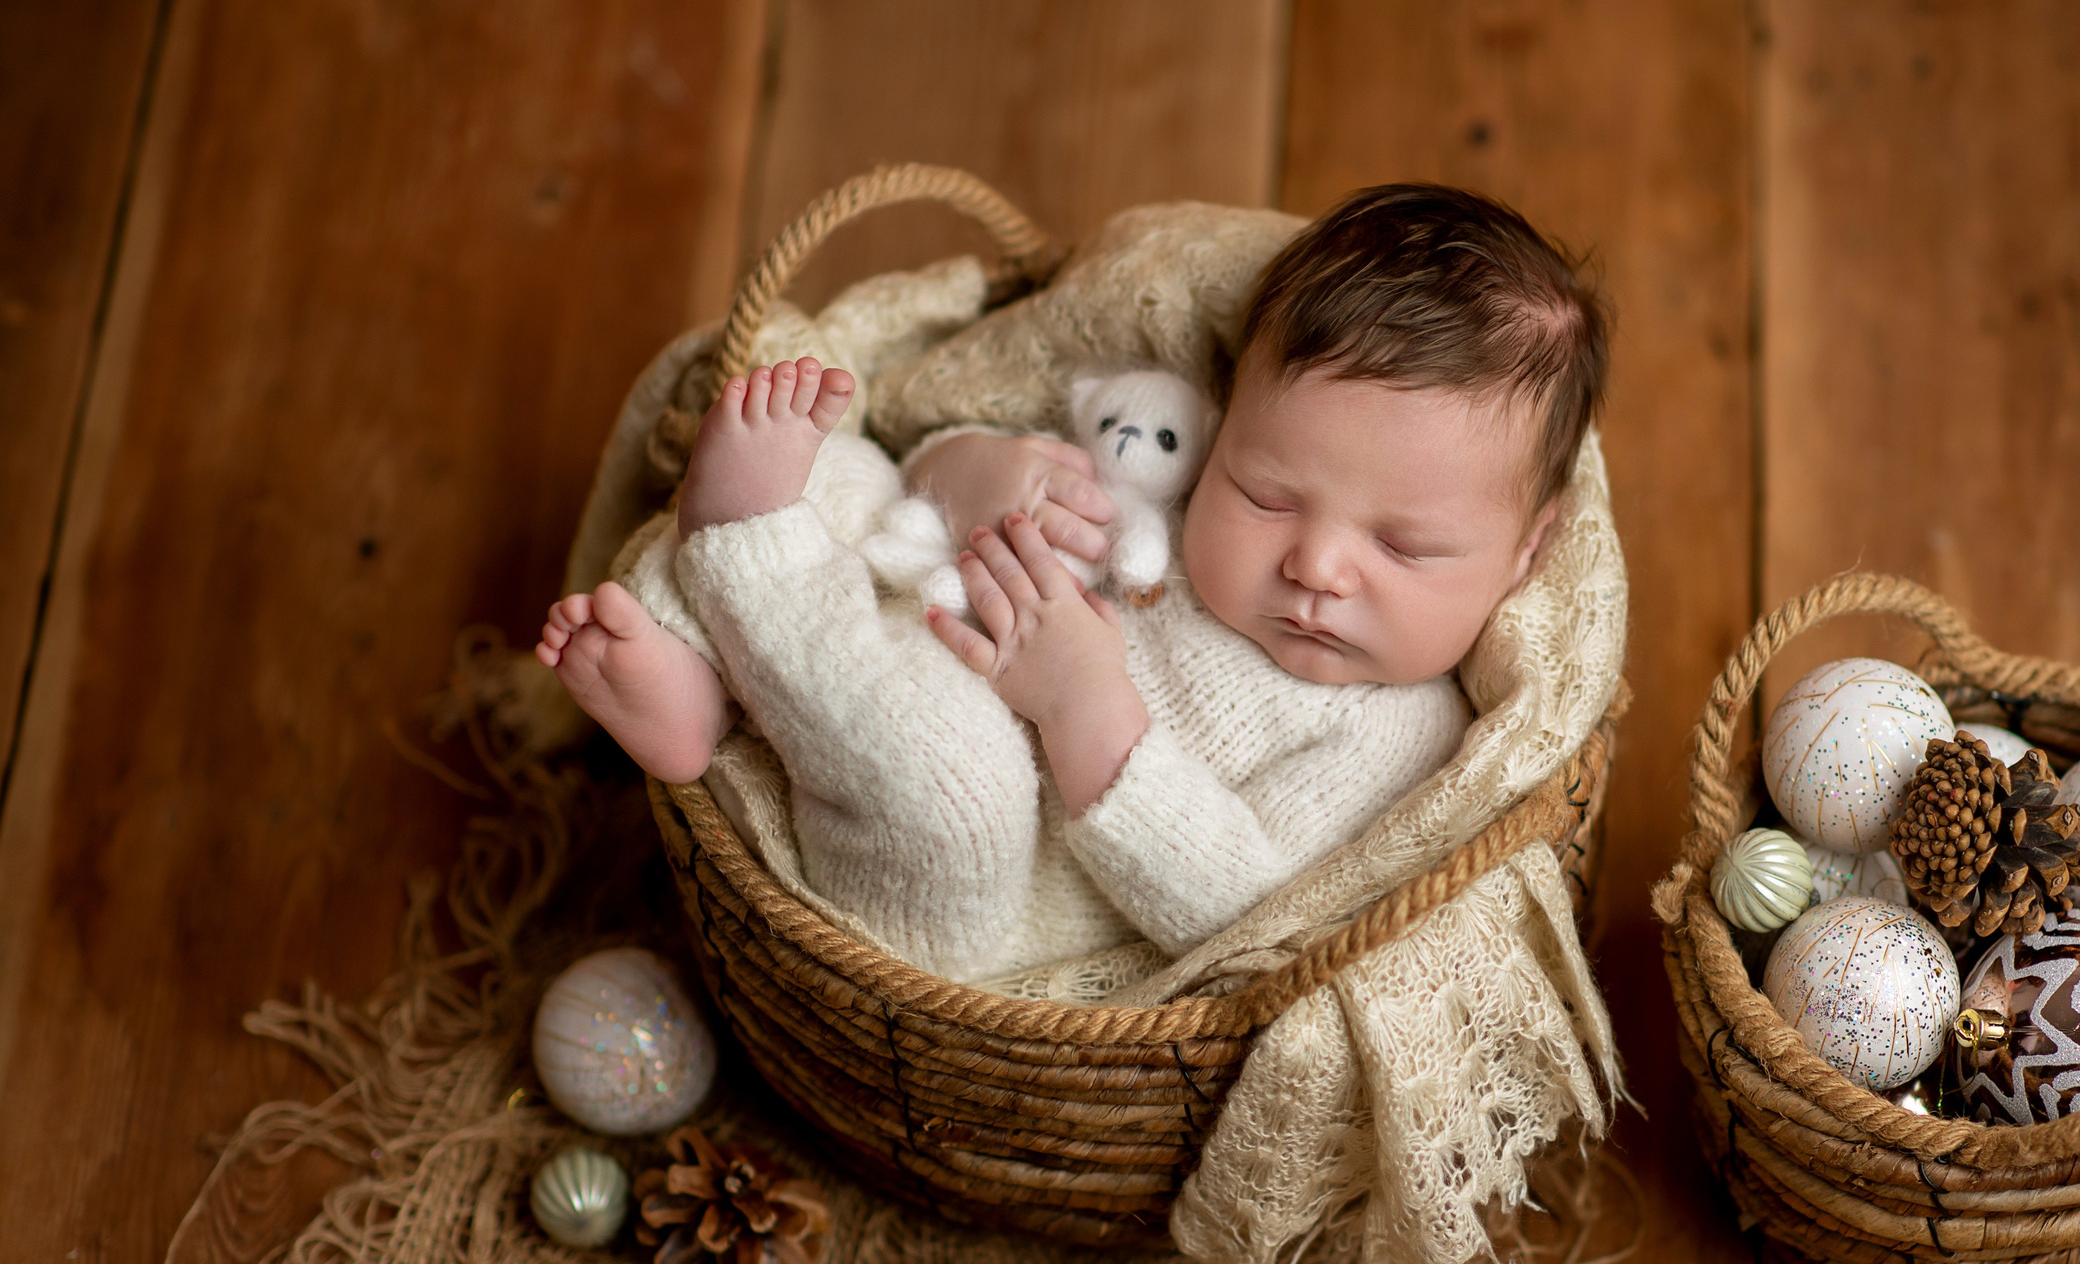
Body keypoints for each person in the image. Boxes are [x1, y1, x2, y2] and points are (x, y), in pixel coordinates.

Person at [535, 184, 1609, 984]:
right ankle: (706, 688)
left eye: (1406, 549)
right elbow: (925, 480)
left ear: (1526, 550)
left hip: (964, 891)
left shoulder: (1398, 730)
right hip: (874, 657)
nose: (1316, 567)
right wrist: (987, 476)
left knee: (962, 782)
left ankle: (737, 574)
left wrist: (1082, 706)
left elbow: (1247, 914)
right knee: (843, 464)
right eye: (1268, 494)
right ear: (1226, 420)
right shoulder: (1170, 488)